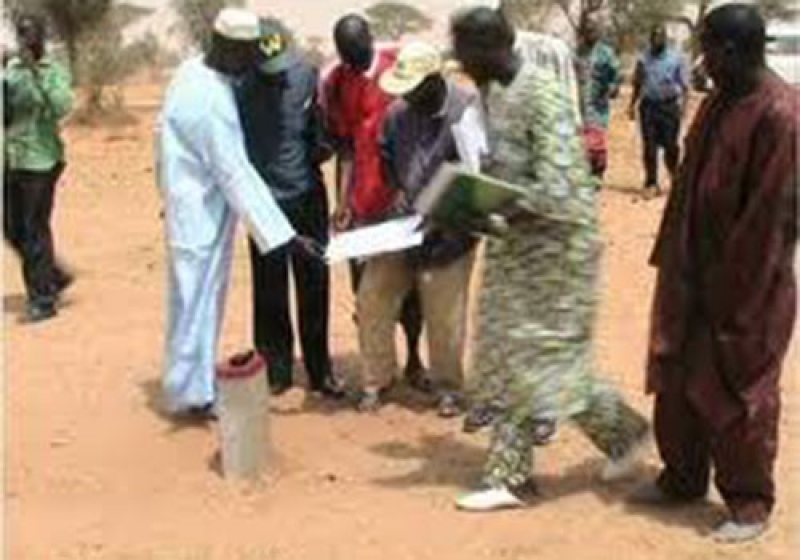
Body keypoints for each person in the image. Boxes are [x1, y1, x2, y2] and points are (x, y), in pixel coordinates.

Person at [449, 6, 649, 512]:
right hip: (517, 246)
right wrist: (471, 206)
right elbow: (506, 169)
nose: (460, 62)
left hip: (557, 254)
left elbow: (561, 192)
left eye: (465, 51)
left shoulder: (544, 96)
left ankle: (517, 476)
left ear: (493, 47)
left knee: (540, 359)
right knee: (521, 357)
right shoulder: (493, 93)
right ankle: (619, 436)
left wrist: (492, 203)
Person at [632, 3, 797, 543]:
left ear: (728, 50)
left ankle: (748, 502)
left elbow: (769, 222)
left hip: (746, 287)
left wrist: (730, 294)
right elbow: (689, 190)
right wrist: (678, 265)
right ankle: (682, 477)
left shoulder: (781, 116)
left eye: (706, 48)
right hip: (692, 273)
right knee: (677, 376)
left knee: (739, 389)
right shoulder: (719, 101)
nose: (700, 60)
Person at [157, 8, 308, 419]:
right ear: (228, 48)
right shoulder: (209, 102)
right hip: (199, 216)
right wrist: (285, 235)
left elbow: (163, 142)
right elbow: (235, 173)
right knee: (197, 304)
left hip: (191, 206)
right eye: (246, 54)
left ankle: (190, 385)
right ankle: (193, 395)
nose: (250, 64)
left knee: (193, 302)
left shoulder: (191, 73)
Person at [354, 42, 480, 414]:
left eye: (412, 86)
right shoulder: (397, 115)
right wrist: (400, 217)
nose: (405, 93)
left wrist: (449, 228)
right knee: (372, 294)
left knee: (444, 310)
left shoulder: (466, 111)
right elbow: (391, 164)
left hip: (454, 226)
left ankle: (449, 389)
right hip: (407, 221)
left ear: (433, 81)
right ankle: (378, 378)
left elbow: (478, 179)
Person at [235, 18, 343, 400]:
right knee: (269, 288)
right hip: (263, 201)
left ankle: (319, 370)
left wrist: (322, 145)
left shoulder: (306, 75)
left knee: (314, 283)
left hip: (307, 196)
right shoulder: (237, 85)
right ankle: (277, 370)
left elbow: (322, 135)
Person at [321, 14, 427, 389]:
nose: (353, 61)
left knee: (411, 289)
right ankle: (380, 372)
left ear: (369, 39)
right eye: (346, 55)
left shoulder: (397, 70)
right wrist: (342, 201)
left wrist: (407, 191)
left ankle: (415, 360)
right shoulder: (336, 83)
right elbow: (346, 148)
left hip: (402, 200)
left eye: (357, 51)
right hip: (363, 202)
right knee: (365, 291)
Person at [3, 14, 74, 323]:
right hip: (14, 158)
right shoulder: (11, 71)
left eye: (30, 36)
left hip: (42, 161)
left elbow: (62, 107)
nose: (25, 41)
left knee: (34, 230)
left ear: (41, 39)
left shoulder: (53, 71)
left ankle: (43, 300)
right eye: (21, 36)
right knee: (11, 227)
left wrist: (37, 74)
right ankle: (53, 276)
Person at [628, 23, 690, 197]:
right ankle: (651, 183)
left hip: (669, 107)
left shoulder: (676, 58)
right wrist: (632, 105)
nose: (657, 39)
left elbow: (685, 87)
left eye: (660, 36)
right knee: (649, 146)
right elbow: (637, 83)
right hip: (648, 107)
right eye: (654, 36)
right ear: (650, 39)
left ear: (665, 38)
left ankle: (675, 178)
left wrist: (684, 108)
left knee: (671, 146)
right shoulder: (643, 59)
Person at [576, 17, 621, 182]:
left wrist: (612, 87)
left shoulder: (606, 53)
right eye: (587, 31)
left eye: (593, 30)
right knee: (582, 142)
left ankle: (598, 172)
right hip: (579, 104)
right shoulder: (577, 52)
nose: (590, 34)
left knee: (597, 142)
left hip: (598, 106)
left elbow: (616, 75)